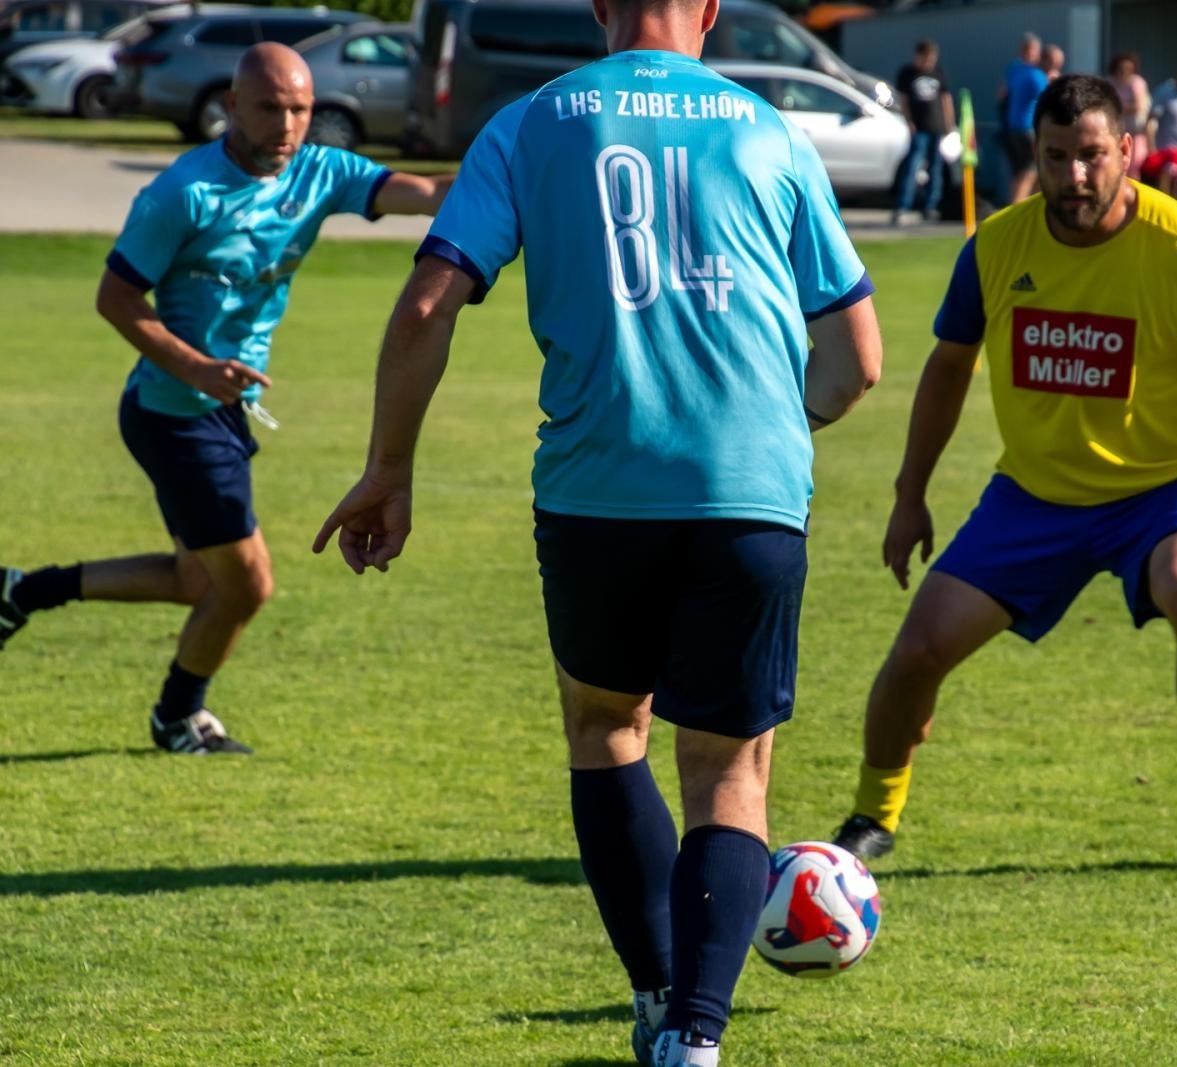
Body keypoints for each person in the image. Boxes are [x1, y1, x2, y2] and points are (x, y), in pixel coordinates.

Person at [312, 0, 882, 1060]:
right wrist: (775, 422)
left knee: (607, 729)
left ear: (595, 9)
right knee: (728, 769)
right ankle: (698, 1040)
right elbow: (856, 356)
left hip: (595, 493)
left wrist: (389, 468)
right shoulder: (768, 129)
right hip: (748, 491)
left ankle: (663, 995)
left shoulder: (533, 121)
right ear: (709, 11)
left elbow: (429, 306)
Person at [831, 73, 1177, 874]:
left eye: (1092, 156)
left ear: (1127, 150)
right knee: (917, 649)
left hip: (1166, 489)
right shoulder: (995, 246)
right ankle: (870, 818)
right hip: (1034, 496)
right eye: (1057, 158)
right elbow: (947, 369)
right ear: (1038, 156)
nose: (1075, 177)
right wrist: (909, 495)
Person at [0, 43, 453, 755]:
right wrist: (199, 368)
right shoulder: (184, 192)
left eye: (300, 109)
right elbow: (116, 297)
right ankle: (177, 717)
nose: (287, 124)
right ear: (232, 105)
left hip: (217, 411)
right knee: (245, 587)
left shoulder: (320, 171)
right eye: (270, 107)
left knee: (194, 579)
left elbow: (427, 196)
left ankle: (23, 592)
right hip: (176, 415)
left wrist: (517, 164)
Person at [892, 38, 954, 225]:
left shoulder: (938, 73)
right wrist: (909, 121)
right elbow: (903, 100)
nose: (929, 62)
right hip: (918, 127)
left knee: (935, 168)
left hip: (936, 126)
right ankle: (903, 205)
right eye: (926, 58)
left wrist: (949, 123)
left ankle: (930, 206)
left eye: (932, 58)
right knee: (913, 165)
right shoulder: (908, 73)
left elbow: (946, 99)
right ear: (918, 56)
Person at [999, 33, 1049, 203]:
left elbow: (1002, 94)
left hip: (1012, 128)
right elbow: (1048, 100)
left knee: (1021, 171)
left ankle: (1025, 208)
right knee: (1030, 171)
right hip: (1027, 129)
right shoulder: (1036, 75)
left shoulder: (1013, 69)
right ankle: (1016, 209)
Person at [1108, 51, 1150, 174]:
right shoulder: (1110, 82)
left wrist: (1116, 107)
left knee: (1134, 166)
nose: (1124, 71)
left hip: (1135, 133)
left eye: (1128, 68)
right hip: (1115, 132)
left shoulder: (1137, 82)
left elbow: (1138, 106)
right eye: (1121, 68)